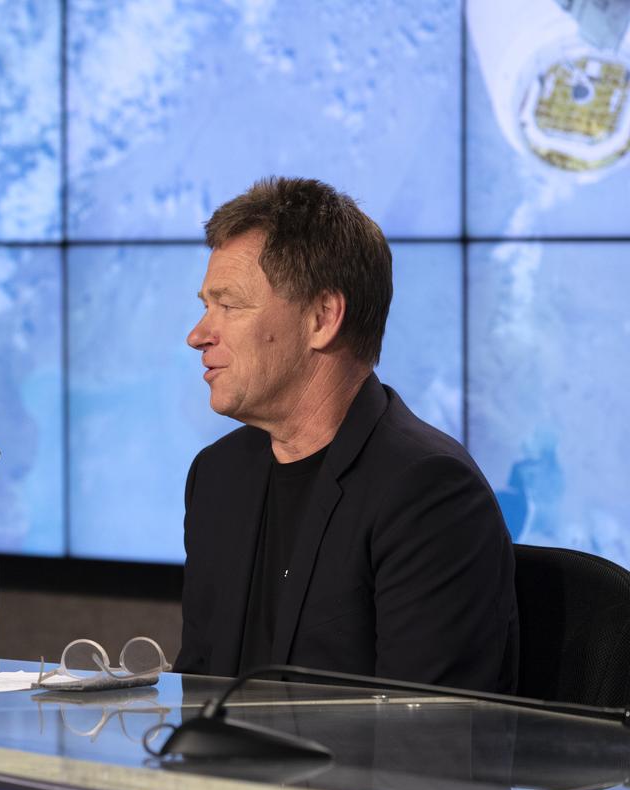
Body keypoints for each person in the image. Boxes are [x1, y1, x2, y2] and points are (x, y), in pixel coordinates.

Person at [176, 177, 517, 692]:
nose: (198, 334)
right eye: (205, 305)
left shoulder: (428, 493)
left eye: (228, 305)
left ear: (322, 318)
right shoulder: (217, 475)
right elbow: (196, 689)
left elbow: (424, 746)